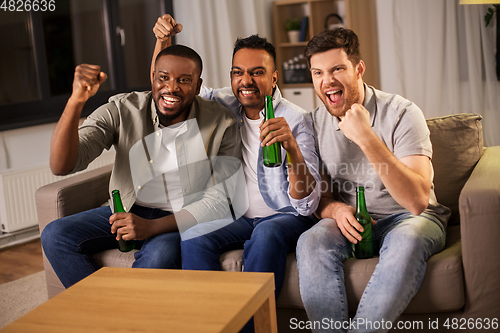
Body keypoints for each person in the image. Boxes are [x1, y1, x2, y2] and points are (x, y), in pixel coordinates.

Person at [41, 44, 242, 289]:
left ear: (198, 86)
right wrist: (75, 101)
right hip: (125, 208)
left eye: (184, 80)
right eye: (164, 78)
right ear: (153, 78)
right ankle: (106, 318)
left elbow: (217, 202)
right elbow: (62, 166)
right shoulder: (123, 108)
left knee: (159, 257)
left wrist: (151, 227)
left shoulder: (221, 122)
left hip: (175, 219)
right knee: (55, 235)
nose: (171, 88)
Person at [152, 15, 321, 299]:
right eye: (237, 72)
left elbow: (307, 204)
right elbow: (172, 87)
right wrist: (162, 41)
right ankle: (211, 320)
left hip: (283, 216)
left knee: (265, 235)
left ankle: (254, 323)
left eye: (257, 72)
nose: (245, 81)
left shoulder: (296, 120)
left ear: (274, 77)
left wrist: (291, 147)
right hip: (238, 215)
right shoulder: (225, 105)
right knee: (195, 233)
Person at [295, 28, 451, 332]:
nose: (327, 81)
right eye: (318, 73)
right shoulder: (312, 124)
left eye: (337, 69)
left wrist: (367, 138)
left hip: (409, 218)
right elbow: (317, 199)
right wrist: (336, 210)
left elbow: (418, 201)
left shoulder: (403, 113)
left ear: (359, 70)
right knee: (310, 240)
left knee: (409, 238)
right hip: (352, 222)